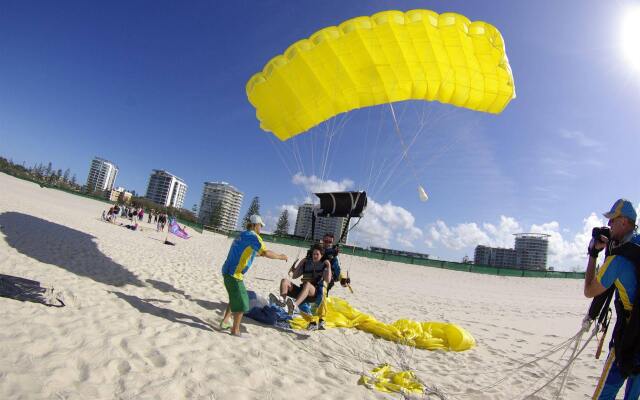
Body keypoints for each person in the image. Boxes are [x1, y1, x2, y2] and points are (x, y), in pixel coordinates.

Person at [584, 199, 640, 399]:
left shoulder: (616, 261)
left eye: (612, 220)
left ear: (624, 222)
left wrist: (593, 253)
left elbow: (590, 290)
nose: (609, 225)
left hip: (628, 339)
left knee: (605, 394)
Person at [220, 215, 288, 336]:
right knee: (243, 302)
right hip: (234, 275)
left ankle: (225, 321)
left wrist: (258, 255)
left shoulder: (242, 235)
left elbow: (245, 251)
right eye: (260, 225)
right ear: (255, 225)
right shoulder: (254, 237)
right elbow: (266, 252)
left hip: (226, 271)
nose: (260, 228)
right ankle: (235, 330)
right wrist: (281, 256)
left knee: (234, 297)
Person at [275, 244, 331, 317]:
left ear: (321, 255)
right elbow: (294, 276)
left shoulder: (323, 265)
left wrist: (329, 266)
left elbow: (328, 280)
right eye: (314, 254)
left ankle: (294, 306)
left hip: (313, 294)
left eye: (317, 254)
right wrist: (301, 262)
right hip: (302, 292)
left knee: (307, 284)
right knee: (284, 281)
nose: (315, 256)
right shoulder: (307, 264)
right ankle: (282, 302)